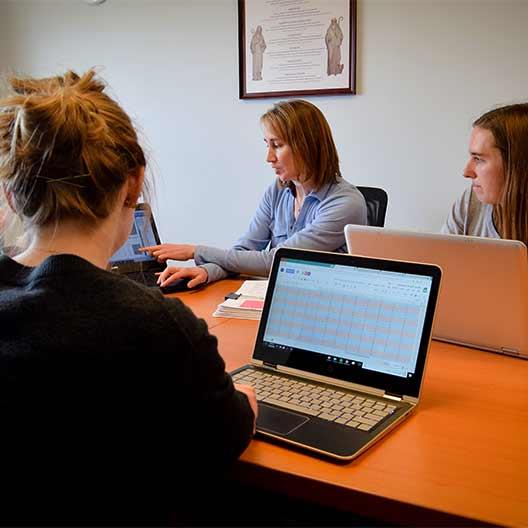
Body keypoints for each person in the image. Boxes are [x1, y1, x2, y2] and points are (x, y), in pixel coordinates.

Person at [0, 70, 256, 525]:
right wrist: (245, 400)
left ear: (13, 197)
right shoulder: (157, 326)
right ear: (133, 186)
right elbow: (227, 432)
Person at [142, 99, 367, 289]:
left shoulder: (346, 203)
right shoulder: (278, 189)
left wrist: (195, 251)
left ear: (306, 146)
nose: (269, 157)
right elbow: (246, 250)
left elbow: (276, 261)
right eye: (267, 145)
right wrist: (207, 271)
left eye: (277, 145)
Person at [442, 103, 528, 247]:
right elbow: (441, 262)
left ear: (517, 164)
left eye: (479, 159)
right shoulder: (470, 203)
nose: (467, 172)